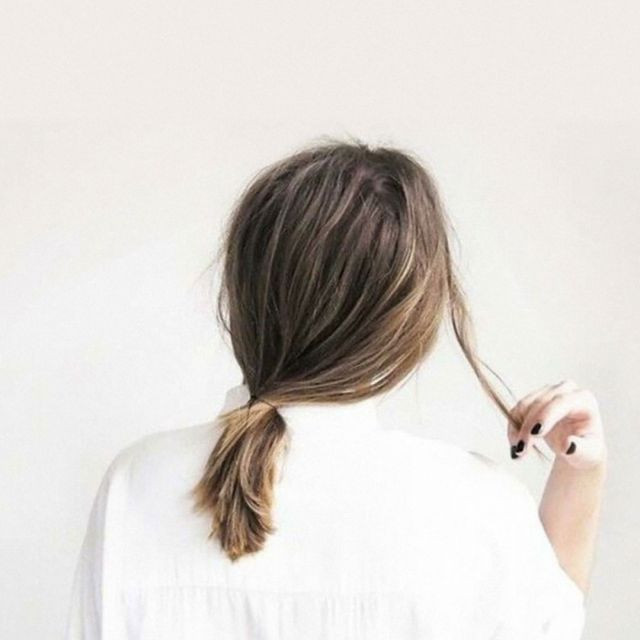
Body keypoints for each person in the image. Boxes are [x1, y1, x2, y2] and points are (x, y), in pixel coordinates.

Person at [65, 138, 607, 639]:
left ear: (243, 293)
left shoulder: (137, 486)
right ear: (407, 319)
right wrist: (583, 475)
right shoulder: (478, 510)